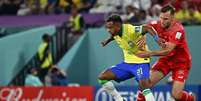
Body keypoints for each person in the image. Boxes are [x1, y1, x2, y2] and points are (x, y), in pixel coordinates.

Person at [136, 5, 196, 101]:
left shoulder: (178, 30)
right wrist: (143, 35)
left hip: (181, 63)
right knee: (144, 84)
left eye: (165, 19)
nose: (162, 21)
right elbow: (146, 28)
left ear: (172, 18)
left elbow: (167, 50)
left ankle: (191, 98)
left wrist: (149, 53)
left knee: (176, 95)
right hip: (166, 60)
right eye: (161, 18)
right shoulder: (157, 24)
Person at [98, 14, 164, 101]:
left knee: (144, 88)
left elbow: (148, 28)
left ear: (118, 26)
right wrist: (107, 40)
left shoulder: (131, 30)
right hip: (127, 64)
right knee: (102, 77)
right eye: (107, 28)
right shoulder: (116, 32)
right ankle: (119, 99)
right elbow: (114, 36)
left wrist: (157, 39)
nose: (108, 30)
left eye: (110, 27)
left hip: (141, 62)